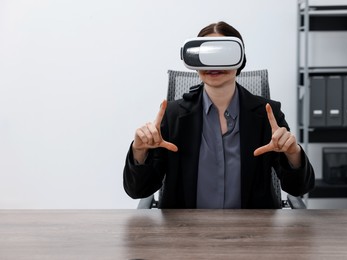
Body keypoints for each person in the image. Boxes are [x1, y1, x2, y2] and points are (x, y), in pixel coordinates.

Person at [123, 21, 315, 209]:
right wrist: (139, 152)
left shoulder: (267, 115)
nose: (214, 66)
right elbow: (139, 190)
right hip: (184, 234)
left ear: (240, 60)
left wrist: (293, 154)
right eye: (207, 56)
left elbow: (299, 188)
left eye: (223, 55)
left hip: (254, 233)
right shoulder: (173, 117)